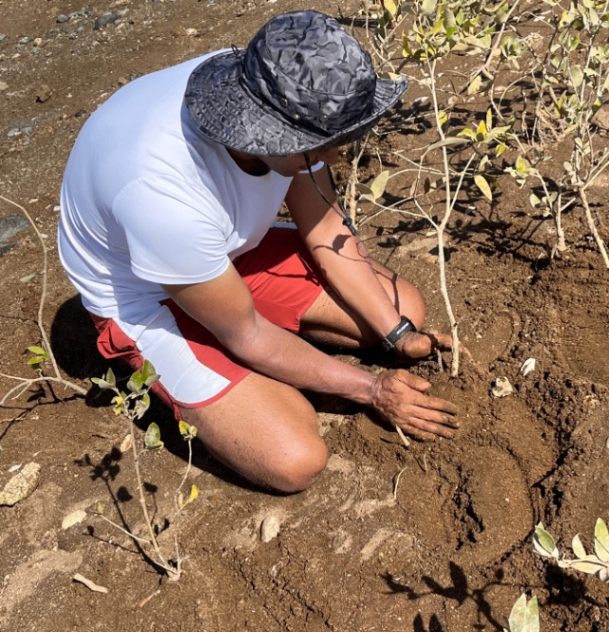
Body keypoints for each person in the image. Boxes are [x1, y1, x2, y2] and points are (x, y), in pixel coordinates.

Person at [57, 11, 459, 493]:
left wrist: (395, 335)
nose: (332, 156)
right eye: (317, 146)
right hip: (146, 294)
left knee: (401, 310)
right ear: (259, 132)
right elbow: (246, 334)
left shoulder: (275, 80)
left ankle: (270, 368)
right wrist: (370, 389)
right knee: (294, 457)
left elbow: (325, 225)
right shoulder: (161, 193)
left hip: (221, 252)